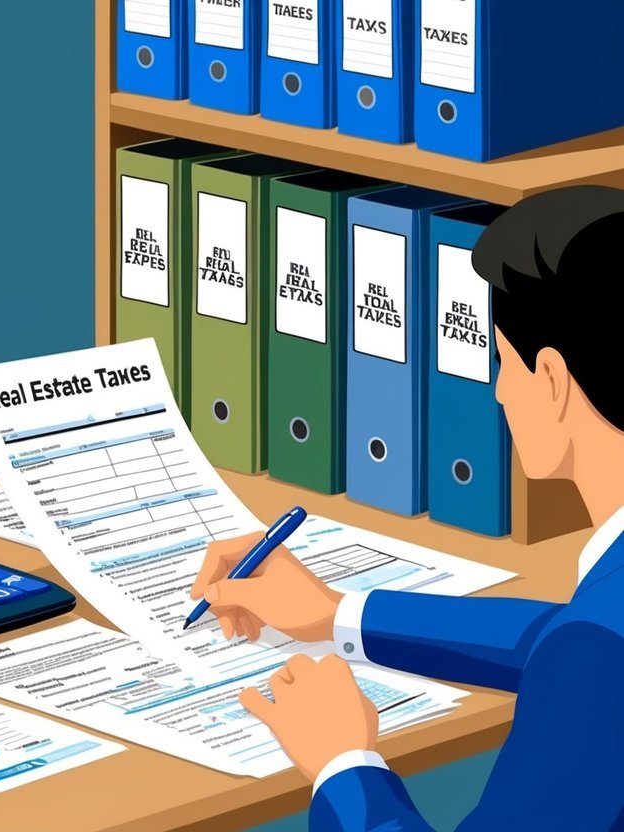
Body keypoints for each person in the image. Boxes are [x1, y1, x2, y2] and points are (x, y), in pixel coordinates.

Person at [192, 185, 624, 831]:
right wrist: (336, 615)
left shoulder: (593, 651)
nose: (502, 392)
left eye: (503, 362)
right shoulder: (596, 628)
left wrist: (343, 762)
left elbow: (583, 657)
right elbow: (553, 643)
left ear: (555, 381)